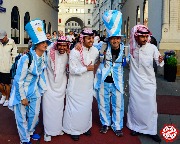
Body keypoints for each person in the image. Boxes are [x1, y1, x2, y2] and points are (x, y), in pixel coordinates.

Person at [8, 19, 51, 144]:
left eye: (46, 42)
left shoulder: (44, 55)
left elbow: (58, 47)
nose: (45, 44)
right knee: (21, 117)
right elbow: (18, 80)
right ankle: (24, 139)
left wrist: (76, 45)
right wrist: (22, 97)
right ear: (36, 44)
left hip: (35, 90)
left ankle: (30, 131)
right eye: (42, 42)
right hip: (21, 91)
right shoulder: (26, 58)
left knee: (35, 114)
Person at [126, 24, 164, 143]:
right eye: (142, 36)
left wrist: (160, 60)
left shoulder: (152, 48)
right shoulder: (131, 48)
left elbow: (159, 63)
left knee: (151, 107)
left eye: (146, 36)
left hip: (149, 83)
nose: (144, 39)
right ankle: (135, 127)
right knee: (135, 106)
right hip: (135, 82)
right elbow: (117, 49)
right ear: (136, 37)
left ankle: (151, 131)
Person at [62, 29, 99, 141]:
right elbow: (72, 70)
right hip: (76, 85)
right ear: (82, 39)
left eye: (92, 38)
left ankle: (85, 127)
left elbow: (99, 60)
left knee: (87, 107)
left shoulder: (95, 51)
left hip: (87, 84)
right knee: (74, 108)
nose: (91, 40)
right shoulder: (75, 51)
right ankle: (73, 130)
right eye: (88, 38)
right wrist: (86, 68)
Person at [94, 10, 125, 137]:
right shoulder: (102, 46)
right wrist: (79, 44)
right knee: (103, 103)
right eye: (113, 38)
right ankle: (105, 123)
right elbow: (88, 47)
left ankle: (117, 126)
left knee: (118, 104)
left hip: (117, 82)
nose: (115, 41)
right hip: (103, 81)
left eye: (117, 38)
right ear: (109, 39)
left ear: (120, 39)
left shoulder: (126, 50)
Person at [42, 36, 70, 142]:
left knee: (59, 109)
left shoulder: (68, 54)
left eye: (64, 45)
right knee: (48, 109)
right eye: (60, 45)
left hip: (61, 86)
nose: (62, 47)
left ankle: (57, 129)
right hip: (49, 85)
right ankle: (48, 131)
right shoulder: (49, 52)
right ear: (56, 45)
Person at [0, 29, 18, 106]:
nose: (1, 39)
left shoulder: (11, 43)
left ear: (6, 36)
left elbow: (14, 54)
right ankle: (3, 95)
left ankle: (7, 99)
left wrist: (12, 65)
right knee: (0, 84)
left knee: (7, 84)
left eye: (2, 38)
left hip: (7, 67)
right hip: (0, 66)